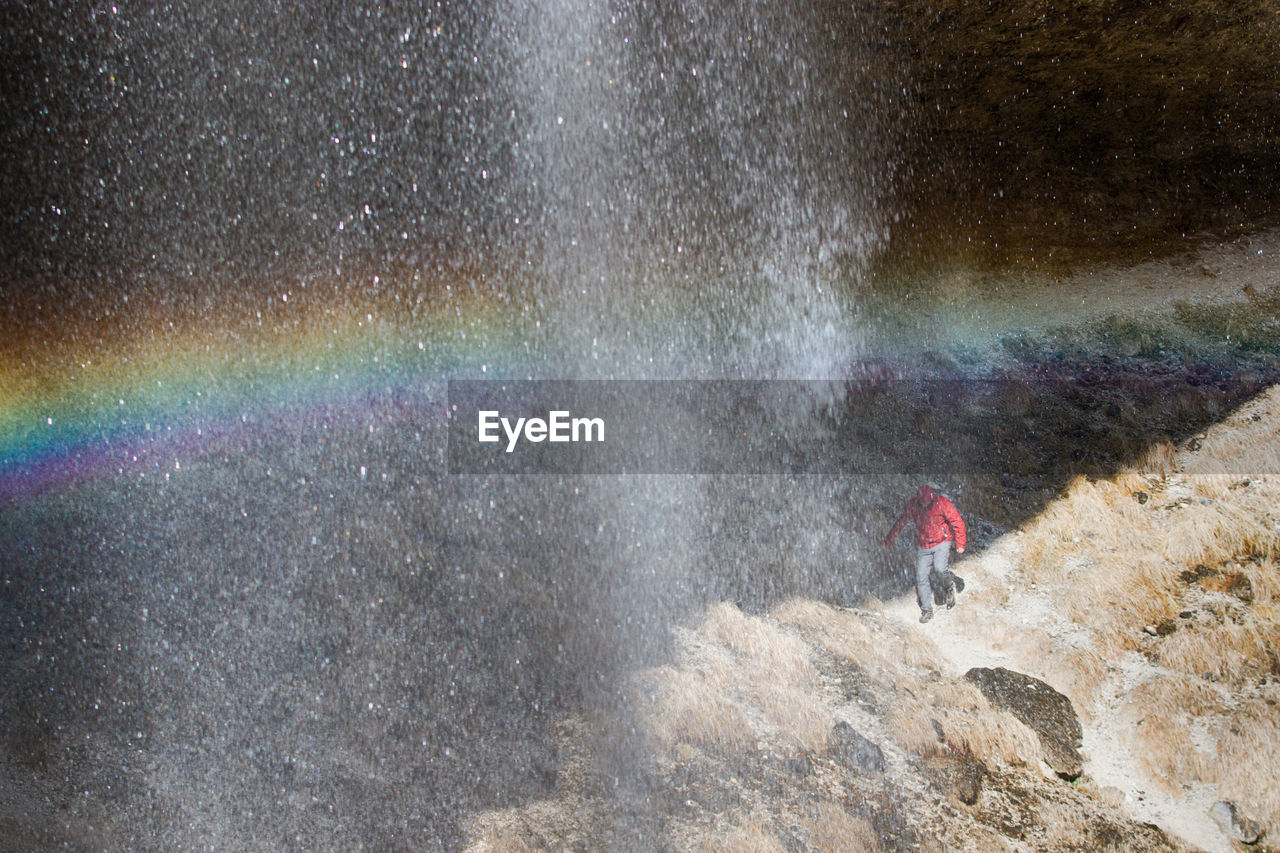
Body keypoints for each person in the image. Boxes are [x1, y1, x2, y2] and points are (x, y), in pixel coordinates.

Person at [882, 483, 967, 623]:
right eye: (922, 502)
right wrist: (888, 541)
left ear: (931, 497)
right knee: (921, 577)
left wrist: (961, 544)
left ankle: (949, 587)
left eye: (927, 501)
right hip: (924, 545)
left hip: (942, 542)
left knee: (940, 569)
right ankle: (927, 610)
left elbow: (957, 521)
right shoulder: (912, 505)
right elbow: (900, 523)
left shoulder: (942, 503)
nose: (924, 504)